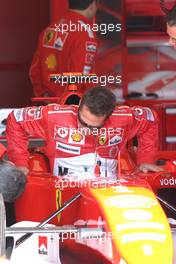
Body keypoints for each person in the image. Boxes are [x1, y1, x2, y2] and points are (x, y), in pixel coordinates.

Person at [6, 87, 162, 178]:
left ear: (109, 115)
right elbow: (15, 119)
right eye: (83, 122)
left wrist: (146, 159)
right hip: (63, 189)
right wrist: (20, 162)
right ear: (80, 104)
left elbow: (151, 118)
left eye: (95, 127)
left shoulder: (123, 118)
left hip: (109, 191)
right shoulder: (54, 116)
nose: (87, 131)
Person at [30, 0, 98, 97]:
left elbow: (34, 71)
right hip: (72, 106)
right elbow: (81, 77)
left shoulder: (51, 28)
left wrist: (44, 95)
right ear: (92, 5)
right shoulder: (85, 33)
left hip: (49, 103)